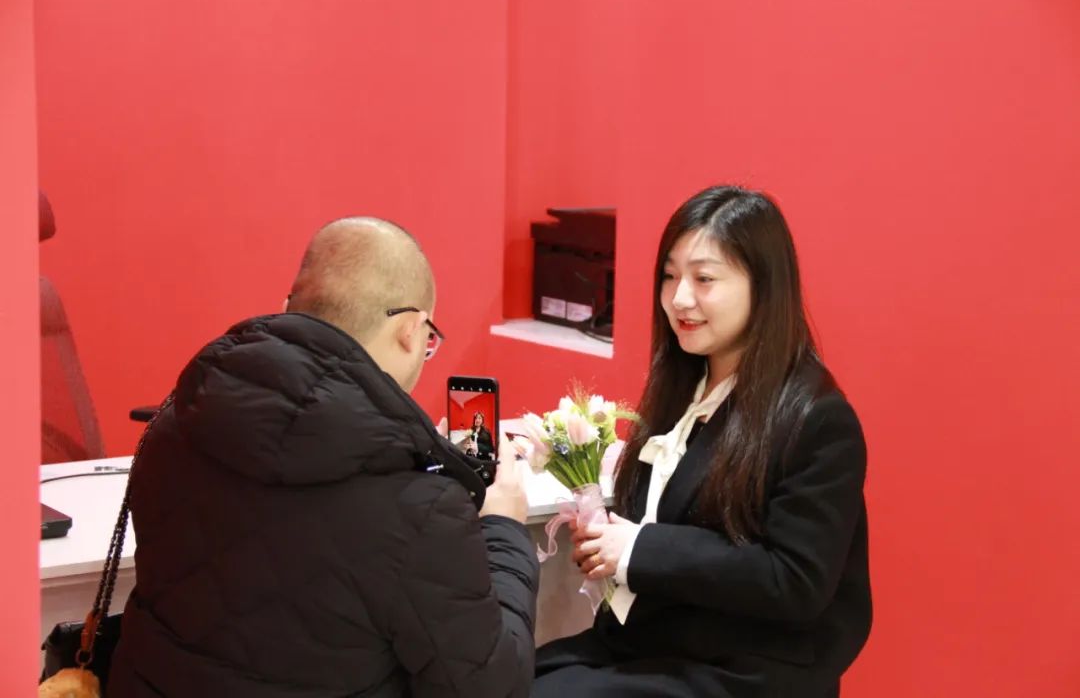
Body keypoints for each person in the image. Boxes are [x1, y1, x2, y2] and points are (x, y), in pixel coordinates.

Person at [109, 217, 540, 697]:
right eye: (429, 339)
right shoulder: (420, 508)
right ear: (410, 329)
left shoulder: (173, 429)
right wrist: (504, 531)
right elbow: (492, 687)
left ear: (288, 307)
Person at [532, 186, 871, 697]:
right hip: (651, 644)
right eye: (669, 276)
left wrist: (639, 549)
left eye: (704, 278)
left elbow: (795, 580)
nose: (679, 299)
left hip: (746, 669)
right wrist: (611, 540)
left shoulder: (817, 419)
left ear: (764, 286)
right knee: (493, 677)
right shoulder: (685, 388)